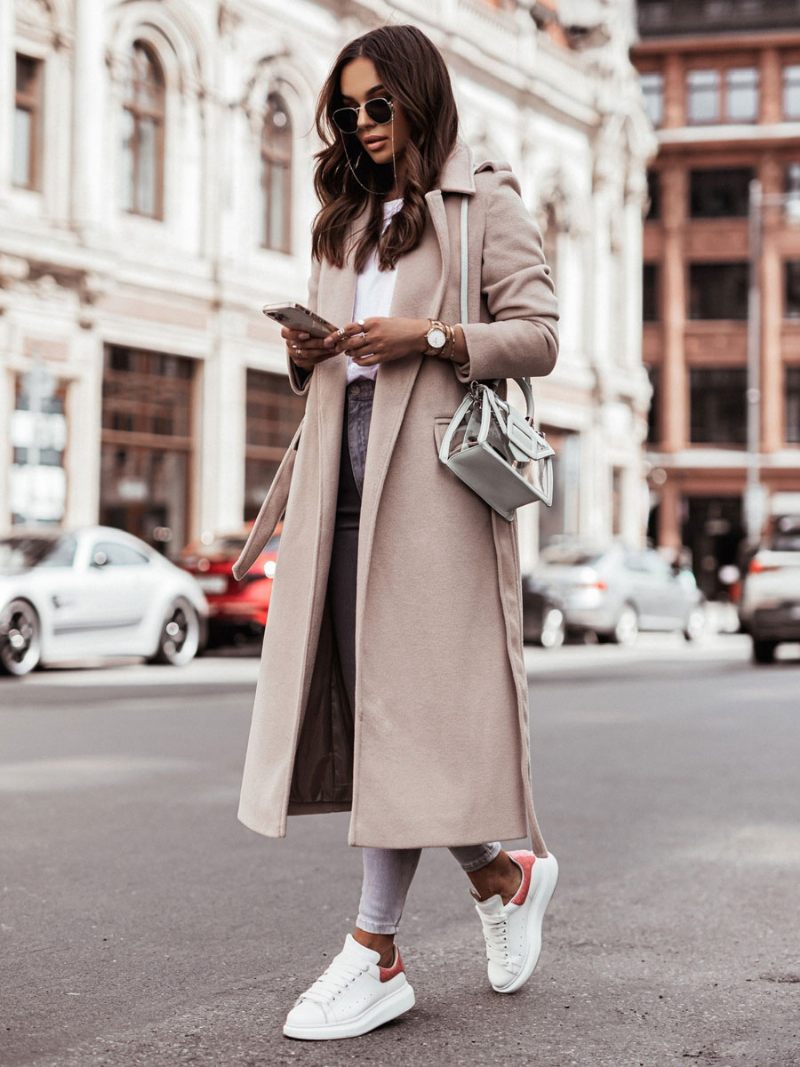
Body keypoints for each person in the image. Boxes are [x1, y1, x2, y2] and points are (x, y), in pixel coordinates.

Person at [235, 24, 560, 1041]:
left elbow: (540, 334)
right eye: (347, 109)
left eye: (377, 105)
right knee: (380, 706)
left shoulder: (483, 201)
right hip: (338, 468)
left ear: (418, 96)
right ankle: (502, 875)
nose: (361, 125)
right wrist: (310, 352)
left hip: (431, 487)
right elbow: (335, 362)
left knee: (400, 707)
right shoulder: (342, 217)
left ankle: (373, 949)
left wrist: (426, 335)